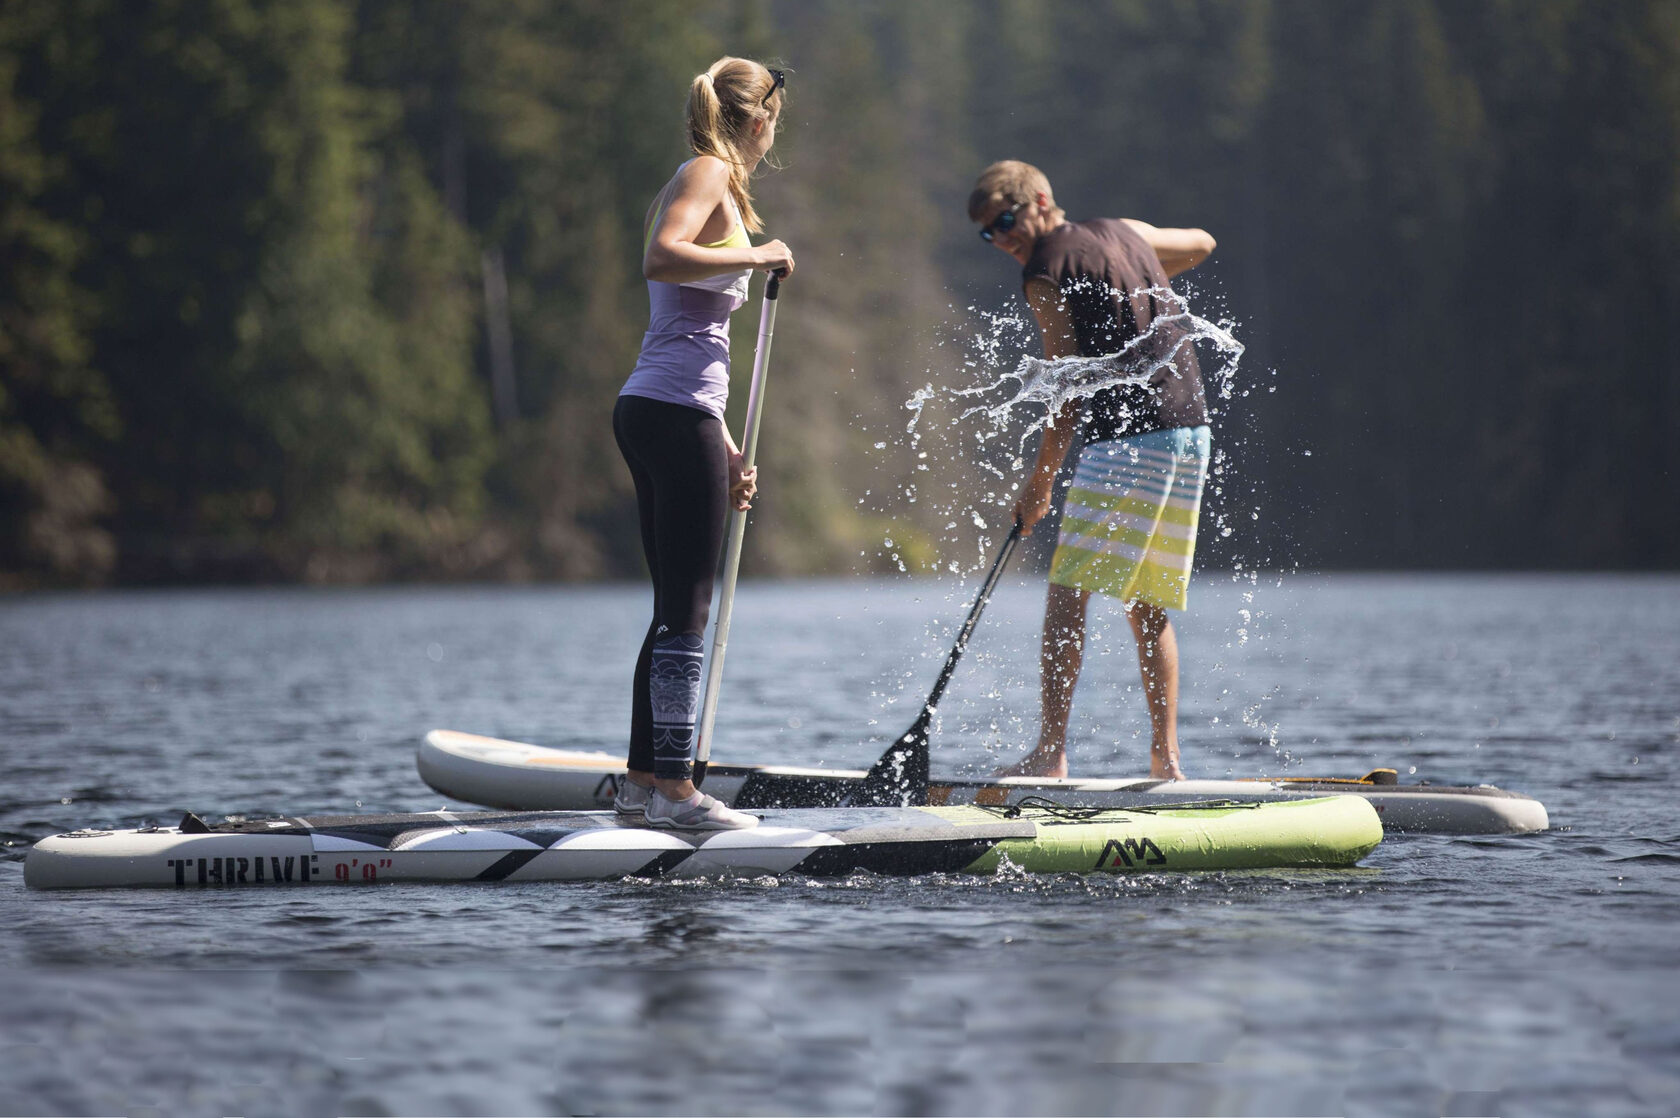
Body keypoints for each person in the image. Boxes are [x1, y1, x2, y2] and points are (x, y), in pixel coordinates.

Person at [968, 160, 1215, 781]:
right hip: (1189, 430)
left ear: (1041, 201)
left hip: (1132, 442)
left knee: (1067, 593)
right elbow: (1201, 244)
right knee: (1146, 601)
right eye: (987, 233)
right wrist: (1139, 277)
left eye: (1006, 221)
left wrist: (1041, 481)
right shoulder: (1125, 232)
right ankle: (1167, 761)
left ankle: (1050, 754)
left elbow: (1066, 386)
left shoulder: (1045, 270)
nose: (1002, 239)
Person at [612, 58, 794, 830]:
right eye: (777, 118)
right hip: (669, 411)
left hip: (668, 411)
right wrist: (758, 253)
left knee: (669, 607)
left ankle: (642, 782)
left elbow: (689, 333)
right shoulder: (707, 174)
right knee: (688, 605)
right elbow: (661, 256)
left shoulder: (701, 176)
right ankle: (678, 794)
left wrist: (720, 447)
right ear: (759, 120)